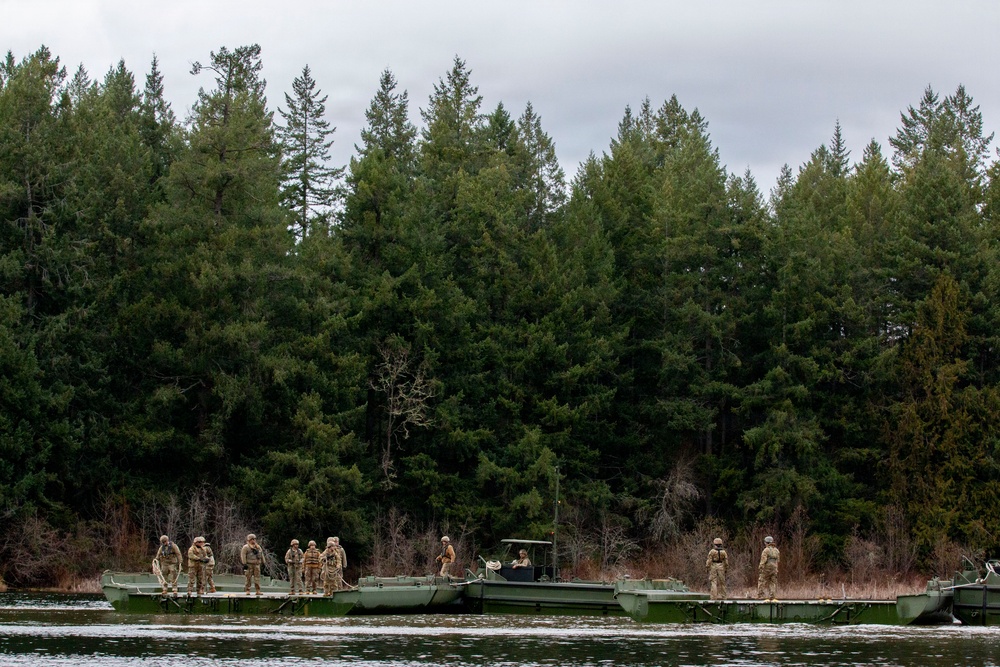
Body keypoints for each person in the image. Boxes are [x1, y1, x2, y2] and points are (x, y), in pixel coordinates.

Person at [757, 535, 780, 600]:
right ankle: (772, 596)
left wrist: (760, 567)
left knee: (762, 581)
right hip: (774, 568)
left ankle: (760, 595)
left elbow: (763, 560)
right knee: (772, 582)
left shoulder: (766, 550)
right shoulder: (777, 550)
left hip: (767, 568)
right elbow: (778, 560)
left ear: (766, 542)